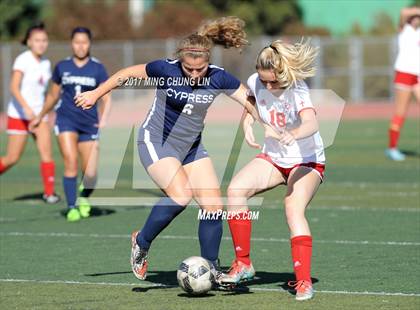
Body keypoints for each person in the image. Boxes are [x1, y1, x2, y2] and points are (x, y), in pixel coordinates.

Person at [74, 17, 258, 281]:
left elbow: (248, 100)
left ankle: (211, 267)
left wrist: (266, 120)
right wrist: (96, 94)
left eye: (200, 69)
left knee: (213, 206)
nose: (194, 75)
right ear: (180, 61)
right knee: (181, 195)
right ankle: (142, 242)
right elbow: (125, 75)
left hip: (191, 147)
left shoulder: (218, 77)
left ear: (208, 62)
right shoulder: (165, 69)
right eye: (189, 69)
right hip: (156, 141)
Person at [220, 39, 325, 301]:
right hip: (274, 159)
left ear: (284, 74)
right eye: (264, 81)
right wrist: (246, 122)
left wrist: (294, 133)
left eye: (273, 82)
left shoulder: (297, 88)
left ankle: (303, 282)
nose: (267, 86)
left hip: (306, 160)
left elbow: (311, 122)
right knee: (235, 190)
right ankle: (243, 263)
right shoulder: (256, 80)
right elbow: (251, 104)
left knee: (292, 208)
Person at [30, 27, 111, 222]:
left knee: (90, 173)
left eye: (84, 42)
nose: (80, 46)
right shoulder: (62, 66)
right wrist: (40, 115)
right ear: (71, 43)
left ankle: (83, 197)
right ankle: (72, 206)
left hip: (90, 122)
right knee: (70, 162)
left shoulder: (98, 68)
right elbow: (52, 95)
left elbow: (106, 97)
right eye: (77, 42)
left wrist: (104, 119)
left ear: (89, 43)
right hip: (66, 119)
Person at [0, 22, 60, 204]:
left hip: (38, 117)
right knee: (12, 158)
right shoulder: (23, 59)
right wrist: (26, 108)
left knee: (47, 154)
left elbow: (45, 92)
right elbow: (13, 87)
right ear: (29, 42)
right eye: (37, 40)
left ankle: (49, 193)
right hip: (18, 115)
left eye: (44, 40)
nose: (41, 43)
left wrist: (42, 113)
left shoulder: (46, 63)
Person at [386, 6, 420, 161]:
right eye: (415, 16)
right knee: (401, 113)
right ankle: (392, 148)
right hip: (404, 74)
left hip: (417, 76)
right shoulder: (404, 29)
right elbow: (404, 12)